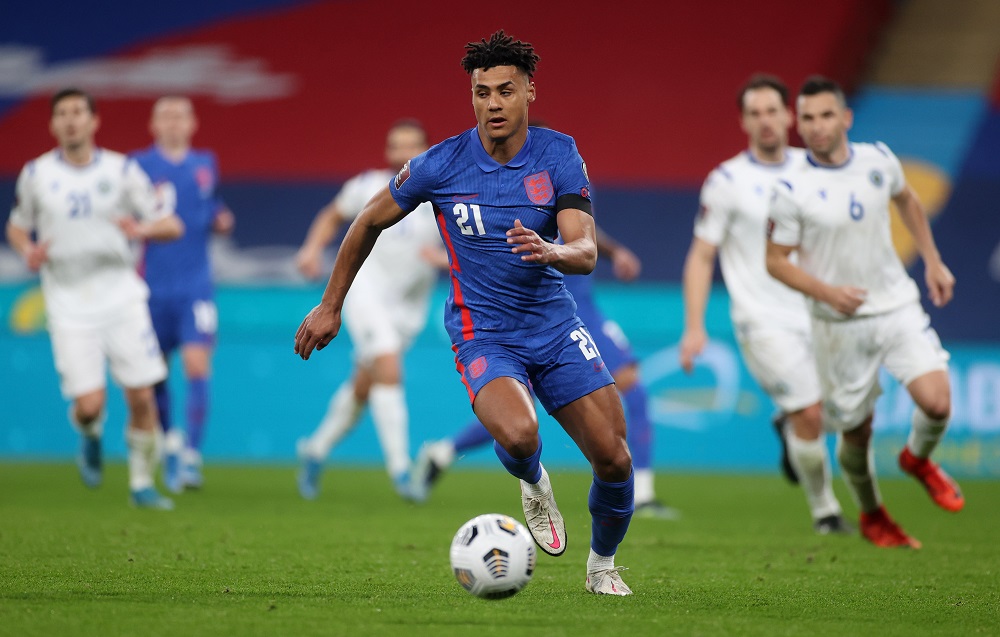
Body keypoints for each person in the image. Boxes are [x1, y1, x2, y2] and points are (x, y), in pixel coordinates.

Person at [294, 31, 635, 595]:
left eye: (505, 90)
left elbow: (587, 250)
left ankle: (602, 567)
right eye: (481, 92)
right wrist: (330, 305)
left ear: (529, 90)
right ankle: (532, 481)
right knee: (522, 436)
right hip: (484, 333)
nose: (493, 104)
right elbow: (366, 220)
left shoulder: (559, 154)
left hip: (553, 326)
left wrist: (552, 251)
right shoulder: (441, 164)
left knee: (615, 459)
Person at [766, 76, 963, 549]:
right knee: (857, 431)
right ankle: (874, 515)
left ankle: (917, 459)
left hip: (895, 305)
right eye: (808, 118)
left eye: (826, 115)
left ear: (846, 118)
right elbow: (774, 260)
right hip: (838, 324)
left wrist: (933, 261)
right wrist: (827, 293)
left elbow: (908, 200)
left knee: (937, 401)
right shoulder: (793, 188)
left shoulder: (878, 160)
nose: (816, 126)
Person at [679, 74, 850, 534]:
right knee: (810, 413)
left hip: (819, 312)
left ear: (789, 114)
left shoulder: (814, 169)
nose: (766, 121)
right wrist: (694, 326)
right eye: (755, 113)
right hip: (761, 318)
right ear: (743, 121)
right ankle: (826, 512)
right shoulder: (728, 181)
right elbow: (701, 255)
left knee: (838, 413)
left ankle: (787, 426)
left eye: (773, 110)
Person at [412, 226, 678, 520]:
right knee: (517, 414)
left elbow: (581, 229)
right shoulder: (521, 187)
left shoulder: (569, 183)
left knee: (632, 390)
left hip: (578, 310)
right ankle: (446, 451)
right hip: (540, 314)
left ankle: (641, 492)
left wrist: (614, 252)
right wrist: (449, 259)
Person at [5, 87, 184, 509]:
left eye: (78, 112)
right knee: (90, 405)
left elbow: (171, 224)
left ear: (93, 121)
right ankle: (89, 433)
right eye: (62, 114)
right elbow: (17, 225)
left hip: (121, 294)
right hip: (67, 300)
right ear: (53, 125)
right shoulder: (36, 174)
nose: (70, 120)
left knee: (141, 394)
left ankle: (141, 484)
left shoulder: (123, 171)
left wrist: (142, 230)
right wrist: (26, 249)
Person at [294, 119, 442, 501]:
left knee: (365, 384)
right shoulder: (365, 186)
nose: (403, 153)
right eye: (397, 146)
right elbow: (331, 215)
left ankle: (315, 450)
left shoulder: (442, 191)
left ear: (425, 149)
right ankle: (401, 472)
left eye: (412, 145)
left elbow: (464, 242)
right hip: (365, 295)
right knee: (388, 367)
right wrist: (312, 248)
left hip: (409, 306)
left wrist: (443, 260)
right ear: (387, 151)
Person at [132, 96, 235, 493]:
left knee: (196, 364)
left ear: (192, 124)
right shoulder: (138, 166)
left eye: (180, 115)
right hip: (151, 287)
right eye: (166, 116)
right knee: (154, 373)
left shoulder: (205, 163)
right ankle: (171, 441)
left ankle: (190, 455)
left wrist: (221, 218)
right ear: (153, 124)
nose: (174, 122)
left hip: (196, 286)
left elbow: (211, 208)